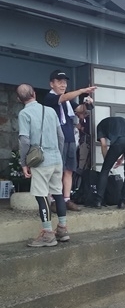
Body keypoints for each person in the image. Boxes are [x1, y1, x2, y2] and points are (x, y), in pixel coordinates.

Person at [17, 83, 70, 247]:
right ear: (34, 93)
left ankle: (48, 234)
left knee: (41, 196)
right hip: (56, 159)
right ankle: (62, 229)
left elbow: (25, 140)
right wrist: (58, 155)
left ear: (19, 99)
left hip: (41, 161)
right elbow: (61, 137)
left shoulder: (24, 113)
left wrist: (24, 162)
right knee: (58, 194)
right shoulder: (50, 111)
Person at [43, 70, 97, 212]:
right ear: (51, 84)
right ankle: (54, 199)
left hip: (70, 138)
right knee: (56, 171)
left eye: (65, 82)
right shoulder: (50, 97)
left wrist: (87, 103)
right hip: (55, 139)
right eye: (59, 81)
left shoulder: (68, 102)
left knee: (69, 170)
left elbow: (80, 109)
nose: (63, 84)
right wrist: (82, 90)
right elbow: (63, 98)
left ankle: (67, 199)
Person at [95, 116, 125, 209]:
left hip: (119, 141)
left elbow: (104, 144)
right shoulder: (123, 119)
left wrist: (107, 160)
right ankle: (123, 202)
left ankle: (98, 201)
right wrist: (122, 158)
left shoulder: (100, 125)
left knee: (105, 170)